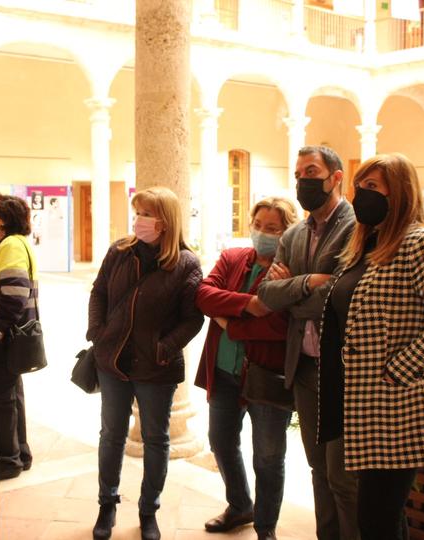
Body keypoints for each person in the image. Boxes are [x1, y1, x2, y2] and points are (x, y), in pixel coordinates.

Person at [319, 153, 424, 540]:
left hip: (397, 409)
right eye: (359, 187)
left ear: (400, 193)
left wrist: (398, 369)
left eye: (372, 188)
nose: (361, 196)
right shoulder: (365, 246)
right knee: (382, 519)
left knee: (376, 520)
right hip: (363, 406)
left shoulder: (422, 244)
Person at [87, 186, 204, 540]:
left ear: (165, 221)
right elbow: (99, 291)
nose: (139, 220)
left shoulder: (185, 263)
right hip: (114, 362)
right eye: (137, 211)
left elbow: (192, 319)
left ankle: (148, 508)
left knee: (156, 439)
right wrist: (97, 332)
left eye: (146, 213)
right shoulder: (120, 252)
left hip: (157, 367)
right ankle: (106, 504)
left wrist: (163, 348)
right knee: (112, 435)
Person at [257, 146, 358, 540]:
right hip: (304, 366)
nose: (303, 180)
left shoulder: (356, 227)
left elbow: (343, 294)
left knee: (344, 479)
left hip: (344, 368)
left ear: (335, 177)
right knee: (317, 468)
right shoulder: (295, 233)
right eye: (298, 173)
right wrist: (306, 282)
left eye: (312, 171)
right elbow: (267, 293)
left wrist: (291, 289)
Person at [194, 197, 299, 540]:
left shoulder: (291, 271)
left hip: (267, 379)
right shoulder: (232, 257)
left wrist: (232, 323)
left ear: (288, 232)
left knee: (268, 457)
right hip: (224, 373)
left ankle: (265, 527)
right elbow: (204, 294)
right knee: (221, 441)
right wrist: (251, 305)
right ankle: (240, 505)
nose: (263, 233)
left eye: (273, 228)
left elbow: (280, 325)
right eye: (258, 226)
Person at [0, 194, 37, 480]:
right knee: (13, 393)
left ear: (4, 219)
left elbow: (16, 290)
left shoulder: (9, 245)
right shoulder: (17, 244)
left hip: (7, 333)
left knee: (3, 397)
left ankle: (8, 460)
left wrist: (0, 326)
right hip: (14, 332)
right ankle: (22, 453)